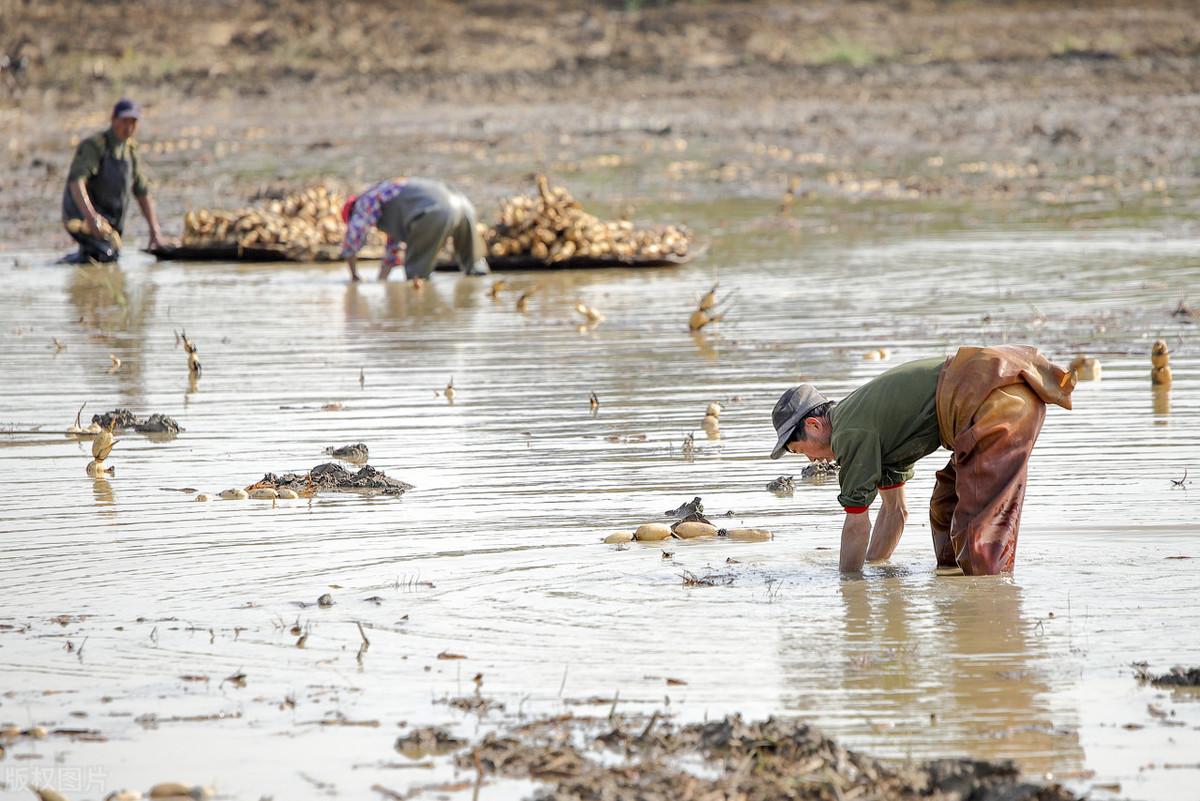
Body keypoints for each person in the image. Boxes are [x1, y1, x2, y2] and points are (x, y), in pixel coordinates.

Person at [770, 345, 1074, 576]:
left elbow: (856, 525)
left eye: (801, 450)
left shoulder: (850, 433)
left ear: (813, 425)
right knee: (946, 507)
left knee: (979, 530)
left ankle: (991, 609)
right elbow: (895, 511)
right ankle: (960, 590)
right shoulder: (870, 427)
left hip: (995, 400)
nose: (811, 458)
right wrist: (875, 567)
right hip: (993, 399)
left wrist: (847, 586)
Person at [62, 98, 165, 262]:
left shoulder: (131, 150)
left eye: (133, 122)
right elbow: (76, 182)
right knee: (103, 256)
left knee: (110, 255)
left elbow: (142, 191)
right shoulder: (95, 146)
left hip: (111, 223)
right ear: (113, 119)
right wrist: (91, 217)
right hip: (82, 216)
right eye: (125, 121)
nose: (128, 127)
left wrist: (155, 231)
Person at [339, 178, 489, 283]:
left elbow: (353, 238)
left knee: (417, 276)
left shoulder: (365, 202)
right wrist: (381, 281)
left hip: (435, 211)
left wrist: (353, 275)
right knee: (475, 270)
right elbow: (392, 251)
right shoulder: (388, 199)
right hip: (463, 206)